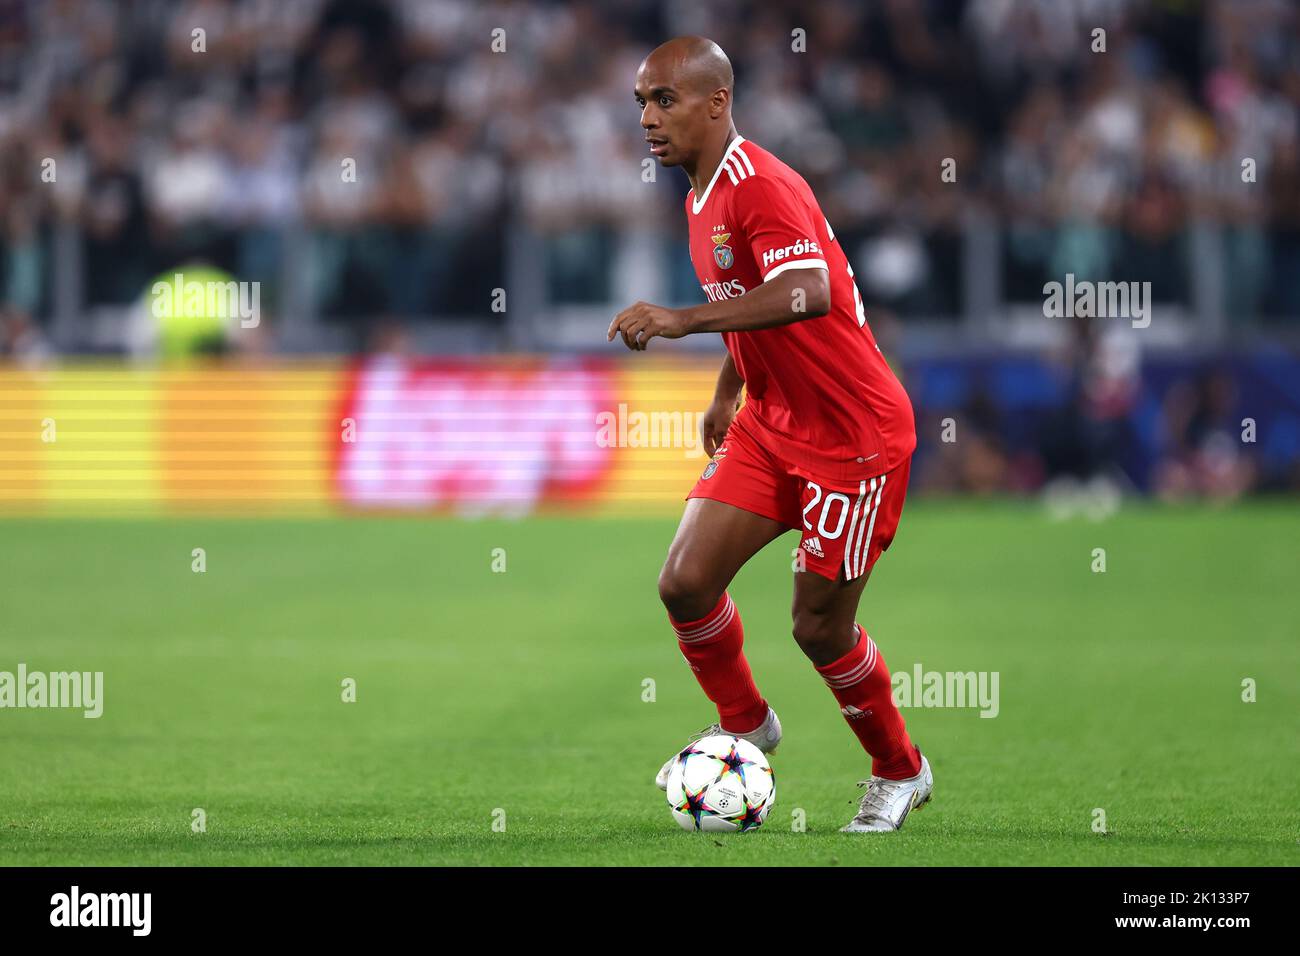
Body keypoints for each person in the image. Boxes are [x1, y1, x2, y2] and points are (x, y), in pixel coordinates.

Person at [608, 37, 931, 832]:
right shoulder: (698, 195)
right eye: (642, 103)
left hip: (851, 436)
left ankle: (900, 770)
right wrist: (730, 388)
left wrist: (682, 321)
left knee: (818, 626)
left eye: (665, 100)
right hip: (771, 421)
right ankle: (747, 725)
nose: (649, 118)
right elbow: (752, 298)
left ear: (717, 102)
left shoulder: (761, 186)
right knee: (684, 582)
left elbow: (806, 291)